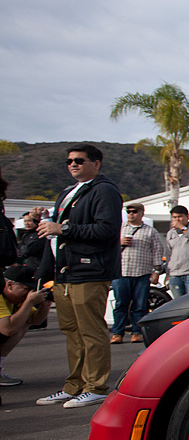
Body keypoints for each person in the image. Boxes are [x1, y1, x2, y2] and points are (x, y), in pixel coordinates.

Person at [33, 144, 123, 409]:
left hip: (90, 271)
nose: (73, 164)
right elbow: (53, 238)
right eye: (69, 161)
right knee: (71, 331)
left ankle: (96, 387)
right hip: (64, 273)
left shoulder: (104, 190)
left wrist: (64, 228)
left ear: (96, 163)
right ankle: (74, 385)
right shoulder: (66, 193)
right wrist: (44, 273)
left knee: (91, 330)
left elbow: (106, 229)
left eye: (79, 160)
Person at [111, 202, 166, 345]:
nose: (131, 214)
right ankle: (117, 333)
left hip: (142, 273)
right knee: (120, 305)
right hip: (121, 273)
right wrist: (119, 243)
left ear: (142, 213)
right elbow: (107, 248)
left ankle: (137, 332)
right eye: (128, 211)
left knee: (140, 306)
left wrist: (156, 272)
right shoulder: (119, 229)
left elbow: (157, 251)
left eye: (134, 211)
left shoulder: (150, 231)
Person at [0, 265, 52, 394]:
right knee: (14, 324)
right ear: (10, 285)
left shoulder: (15, 297)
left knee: (22, 323)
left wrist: (45, 306)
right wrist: (29, 302)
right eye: (26, 289)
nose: (29, 293)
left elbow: (34, 320)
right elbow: (7, 329)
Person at [162, 205, 189, 296]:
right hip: (175, 274)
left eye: (180, 217)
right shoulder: (171, 233)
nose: (177, 220)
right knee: (179, 303)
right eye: (174, 217)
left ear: (187, 217)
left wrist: (183, 228)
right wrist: (168, 274)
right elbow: (169, 254)